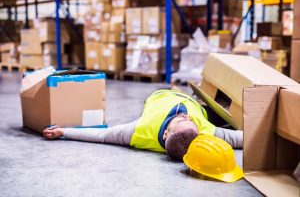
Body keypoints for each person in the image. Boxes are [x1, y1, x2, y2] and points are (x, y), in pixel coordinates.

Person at [43, 89, 243, 160]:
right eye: (186, 121)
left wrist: (63, 131)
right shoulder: (205, 133)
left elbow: (103, 135)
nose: (188, 118)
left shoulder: (139, 132)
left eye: (186, 120)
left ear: (164, 134)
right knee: (223, 117)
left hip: (159, 95)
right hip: (190, 101)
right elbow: (239, 138)